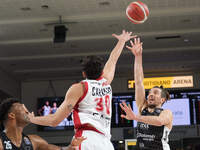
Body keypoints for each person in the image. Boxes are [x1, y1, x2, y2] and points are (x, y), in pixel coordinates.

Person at [28, 30, 136, 150]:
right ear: (101, 72)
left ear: (83, 73)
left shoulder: (79, 88)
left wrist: (32, 119)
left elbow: (54, 121)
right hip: (106, 143)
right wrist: (121, 41)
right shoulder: (106, 83)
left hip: (86, 139)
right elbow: (113, 60)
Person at [120, 37, 173, 150]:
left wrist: (136, 117)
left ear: (162, 99)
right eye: (149, 93)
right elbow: (139, 82)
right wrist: (138, 57)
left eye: (155, 93)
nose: (150, 95)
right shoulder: (142, 107)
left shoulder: (166, 113)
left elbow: (159, 122)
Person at [0, 98, 86, 150]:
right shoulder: (1, 142)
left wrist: (71, 147)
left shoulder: (34, 141)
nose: (27, 111)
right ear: (11, 115)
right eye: (22, 108)